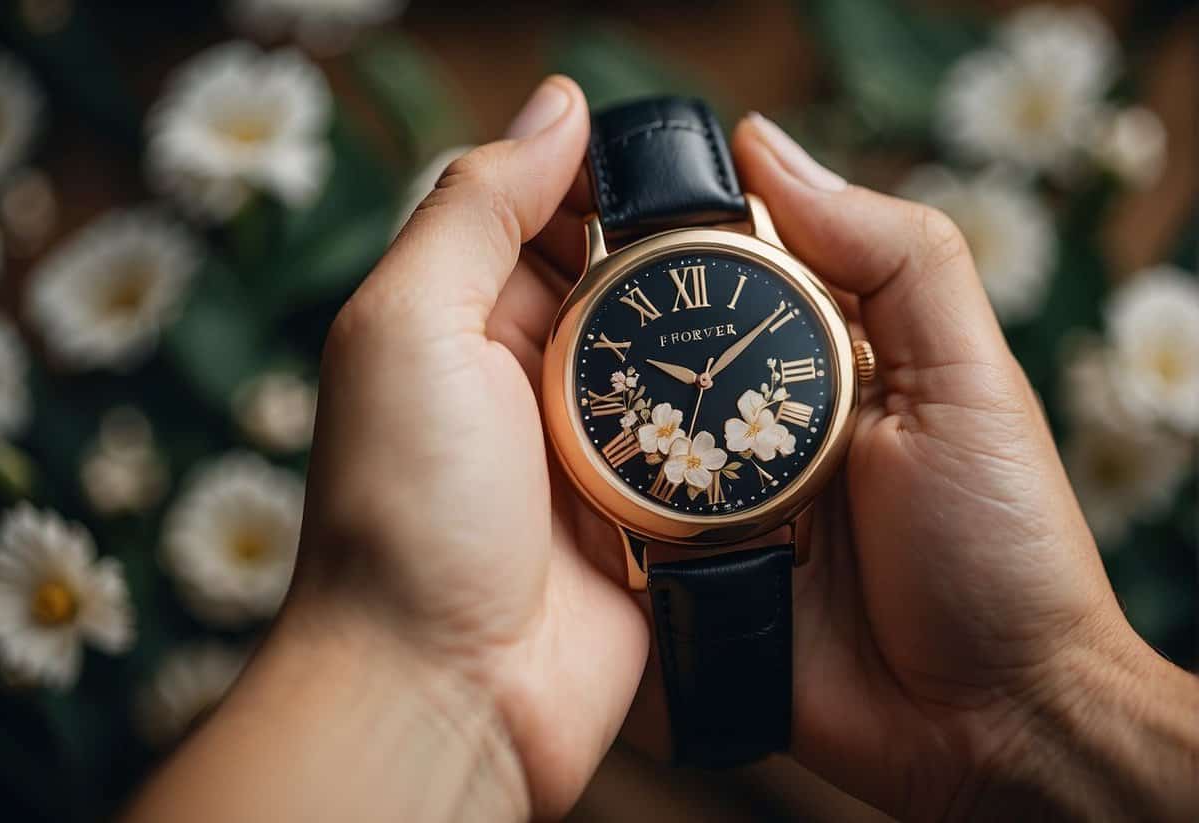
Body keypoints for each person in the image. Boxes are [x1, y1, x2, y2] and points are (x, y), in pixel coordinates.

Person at [123, 76, 1199, 822]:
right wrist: (1048, 709)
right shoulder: (719, 300)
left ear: (850, 357)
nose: (701, 372)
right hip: (669, 520)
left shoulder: (747, 291)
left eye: (720, 363)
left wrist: (429, 688)